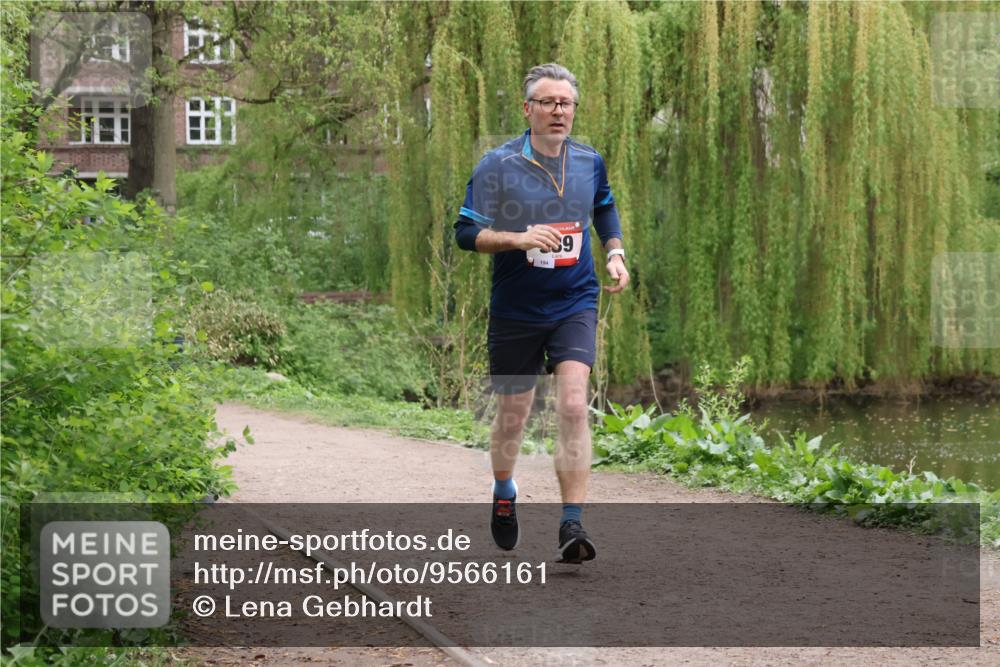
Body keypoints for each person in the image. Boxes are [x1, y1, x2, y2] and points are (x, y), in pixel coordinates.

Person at [453, 63, 629, 563]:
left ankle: (572, 522)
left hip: (575, 298)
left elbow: (604, 206)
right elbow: (465, 233)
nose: (558, 111)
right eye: (548, 103)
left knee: (573, 404)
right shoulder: (497, 165)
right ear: (528, 108)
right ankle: (504, 491)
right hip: (517, 308)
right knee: (514, 415)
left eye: (566, 103)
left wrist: (614, 250)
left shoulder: (589, 160)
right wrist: (519, 238)